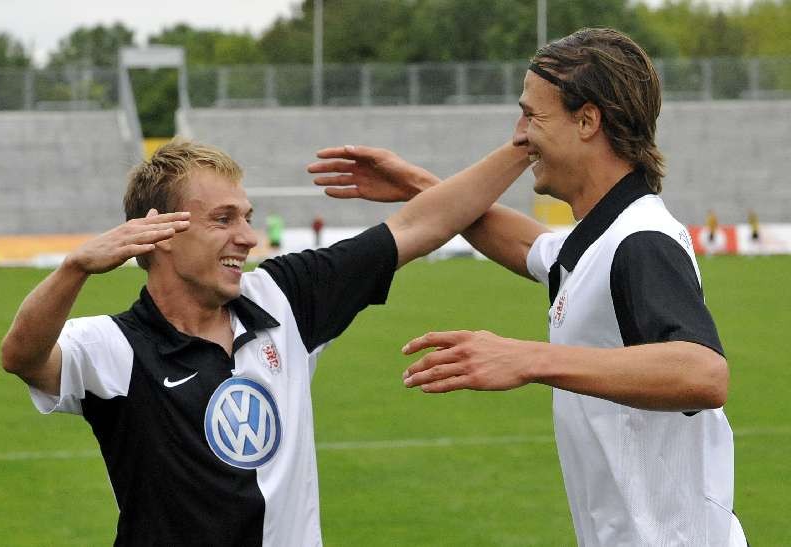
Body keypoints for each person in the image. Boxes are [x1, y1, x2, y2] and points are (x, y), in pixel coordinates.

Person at [309, 28, 747, 546]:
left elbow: (703, 372)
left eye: (532, 116)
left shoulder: (640, 240)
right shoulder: (600, 236)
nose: (519, 135)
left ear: (587, 121)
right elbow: (525, 245)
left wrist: (528, 359)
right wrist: (418, 186)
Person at [1, 137, 530, 545]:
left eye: (247, 218)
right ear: (160, 232)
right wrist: (74, 268)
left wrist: (524, 144)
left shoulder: (283, 297)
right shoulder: (115, 345)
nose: (248, 237)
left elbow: (418, 226)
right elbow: (21, 356)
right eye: (223, 219)